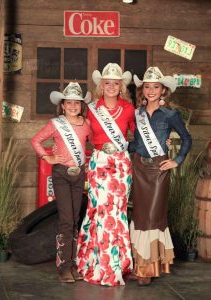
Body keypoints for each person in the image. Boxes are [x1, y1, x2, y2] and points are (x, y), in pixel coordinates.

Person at [129, 66, 192, 286]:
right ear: (142, 90)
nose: (151, 90)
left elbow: (187, 139)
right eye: (147, 86)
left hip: (158, 169)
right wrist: (116, 147)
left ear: (163, 90)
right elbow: (136, 143)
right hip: (138, 167)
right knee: (139, 215)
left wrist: (177, 160)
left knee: (152, 217)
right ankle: (139, 264)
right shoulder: (137, 113)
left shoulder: (171, 114)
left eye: (156, 87)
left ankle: (148, 268)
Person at [76, 63, 135, 286]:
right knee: (98, 210)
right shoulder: (91, 109)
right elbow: (81, 132)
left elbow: (138, 136)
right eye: (107, 82)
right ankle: (94, 263)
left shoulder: (129, 108)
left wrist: (163, 141)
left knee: (117, 211)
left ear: (121, 86)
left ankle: (116, 264)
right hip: (99, 162)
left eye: (115, 83)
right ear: (102, 86)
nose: (111, 86)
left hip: (120, 165)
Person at [31, 82, 91, 283]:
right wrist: (46, 157)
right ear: (62, 105)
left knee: (75, 219)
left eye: (77, 102)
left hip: (79, 175)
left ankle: (72, 264)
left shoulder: (87, 124)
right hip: (62, 175)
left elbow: (97, 141)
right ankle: (64, 267)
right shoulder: (56, 124)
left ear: (81, 105)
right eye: (69, 102)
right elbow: (36, 140)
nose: (73, 106)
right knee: (66, 220)